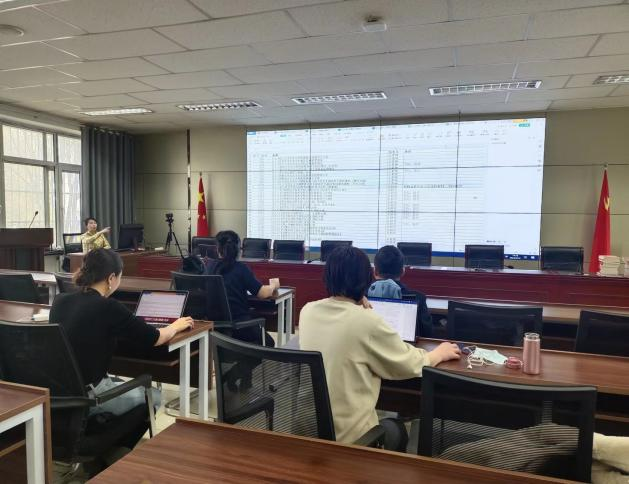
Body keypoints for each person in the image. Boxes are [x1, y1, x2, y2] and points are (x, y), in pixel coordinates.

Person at [299, 246, 461, 450]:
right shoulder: (366, 321)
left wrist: (357, 302)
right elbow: (408, 363)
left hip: (307, 434)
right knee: (397, 430)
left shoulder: (308, 311)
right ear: (365, 280)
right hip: (349, 442)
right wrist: (438, 353)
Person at [49, 248, 194, 416]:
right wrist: (175, 326)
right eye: (120, 276)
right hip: (92, 398)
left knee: (117, 381)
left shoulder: (60, 300)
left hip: (60, 396)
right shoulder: (109, 307)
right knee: (153, 395)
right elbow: (156, 338)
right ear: (111, 278)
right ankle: (108, 429)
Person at [204, 230, 279, 347]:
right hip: (240, 326)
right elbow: (262, 293)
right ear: (238, 250)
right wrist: (273, 286)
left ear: (218, 249)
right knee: (269, 342)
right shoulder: (241, 268)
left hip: (215, 327)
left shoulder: (209, 267)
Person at [368, 245, 432, 336]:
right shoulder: (418, 298)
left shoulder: (361, 297)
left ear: (375, 271)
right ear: (403, 271)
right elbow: (427, 334)